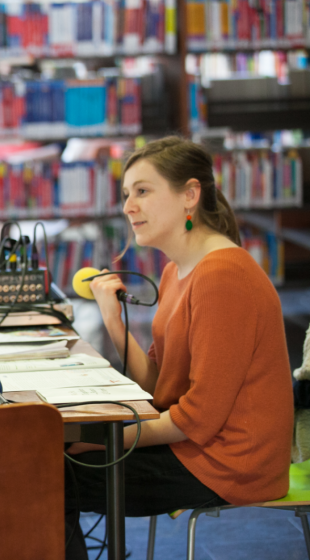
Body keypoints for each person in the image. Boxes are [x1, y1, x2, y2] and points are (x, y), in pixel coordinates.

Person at [64, 137, 293, 559]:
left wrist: (105, 437)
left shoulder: (223, 276)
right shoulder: (176, 271)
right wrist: (115, 323)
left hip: (227, 465)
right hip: (196, 446)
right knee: (51, 457)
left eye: (143, 191)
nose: (128, 206)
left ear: (190, 195)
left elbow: (197, 420)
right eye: (126, 194)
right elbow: (160, 386)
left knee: (45, 474)